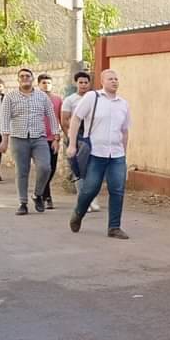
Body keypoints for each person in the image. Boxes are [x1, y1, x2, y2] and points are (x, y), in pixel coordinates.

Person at [67, 68, 131, 239]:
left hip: (116, 154)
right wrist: (72, 144)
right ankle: (78, 213)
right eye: (110, 79)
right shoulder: (92, 97)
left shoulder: (123, 104)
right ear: (102, 82)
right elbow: (76, 119)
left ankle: (114, 227)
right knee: (90, 189)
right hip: (95, 153)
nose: (114, 81)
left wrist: (124, 154)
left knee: (117, 190)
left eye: (116, 79)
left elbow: (125, 131)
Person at [0, 67, 61, 215]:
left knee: (45, 168)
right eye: (22, 76)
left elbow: (52, 116)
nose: (25, 78)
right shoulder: (10, 97)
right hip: (18, 138)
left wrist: (56, 138)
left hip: (39, 138)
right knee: (22, 171)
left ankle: (38, 194)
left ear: (32, 79)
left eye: (27, 76)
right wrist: (4, 139)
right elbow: (4, 118)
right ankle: (23, 203)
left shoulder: (42, 96)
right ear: (18, 79)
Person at [62, 71, 100, 212]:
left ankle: (93, 199)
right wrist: (72, 138)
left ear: (90, 83)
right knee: (79, 169)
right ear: (76, 83)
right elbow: (65, 120)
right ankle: (82, 200)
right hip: (77, 137)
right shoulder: (70, 100)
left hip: (93, 136)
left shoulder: (96, 98)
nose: (83, 85)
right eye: (81, 82)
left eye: (86, 82)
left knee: (93, 168)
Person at [37, 73, 64, 209]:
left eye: (48, 83)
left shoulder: (57, 100)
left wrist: (59, 137)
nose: (46, 85)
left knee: (52, 168)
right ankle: (47, 197)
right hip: (38, 139)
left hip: (52, 138)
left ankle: (41, 192)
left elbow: (61, 119)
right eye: (43, 83)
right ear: (38, 85)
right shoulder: (34, 99)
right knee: (44, 168)